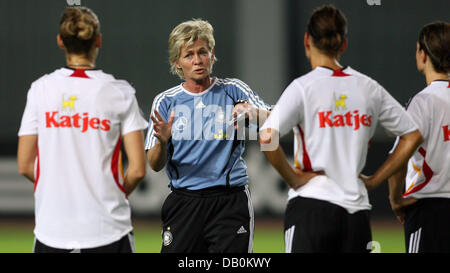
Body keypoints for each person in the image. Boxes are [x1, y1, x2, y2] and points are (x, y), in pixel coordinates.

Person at [259, 4, 423, 253]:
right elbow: (412, 136)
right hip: (355, 214)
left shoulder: (303, 88)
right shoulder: (369, 88)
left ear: (307, 40)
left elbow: (267, 136)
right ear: (343, 44)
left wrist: (292, 178)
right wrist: (376, 179)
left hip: (311, 207)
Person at [17, 6, 148, 253]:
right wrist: (113, 193)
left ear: (60, 41)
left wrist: (60, 187)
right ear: (98, 40)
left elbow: (25, 164)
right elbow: (138, 170)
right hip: (109, 230)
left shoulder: (40, 90)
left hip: (52, 231)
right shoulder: (120, 92)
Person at [145, 19, 271, 253]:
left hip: (230, 202)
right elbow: (154, 164)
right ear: (177, 63)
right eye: (189, 55)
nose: (197, 60)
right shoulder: (165, 102)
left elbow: (275, 120)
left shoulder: (233, 90)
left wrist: (252, 112)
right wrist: (162, 142)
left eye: (202, 52)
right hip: (184, 202)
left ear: (212, 55)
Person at [387, 21, 450, 253]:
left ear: (423, 55)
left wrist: (396, 199)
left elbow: (397, 161)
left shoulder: (422, 103)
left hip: (428, 210)